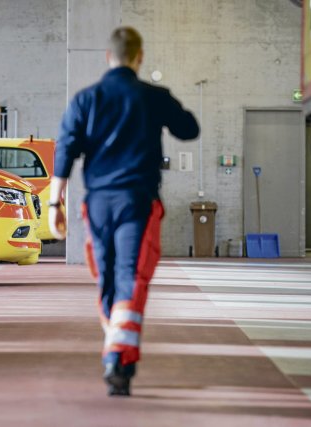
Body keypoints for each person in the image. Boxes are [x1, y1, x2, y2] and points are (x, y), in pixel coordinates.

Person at [48, 26, 199, 397]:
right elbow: (189, 129)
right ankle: (117, 354)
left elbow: (66, 149)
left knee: (109, 279)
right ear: (139, 56)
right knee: (131, 276)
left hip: (97, 203)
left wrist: (55, 204)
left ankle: (120, 357)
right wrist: (169, 104)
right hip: (137, 202)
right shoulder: (153, 96)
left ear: (107, 57)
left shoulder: (86, 99)